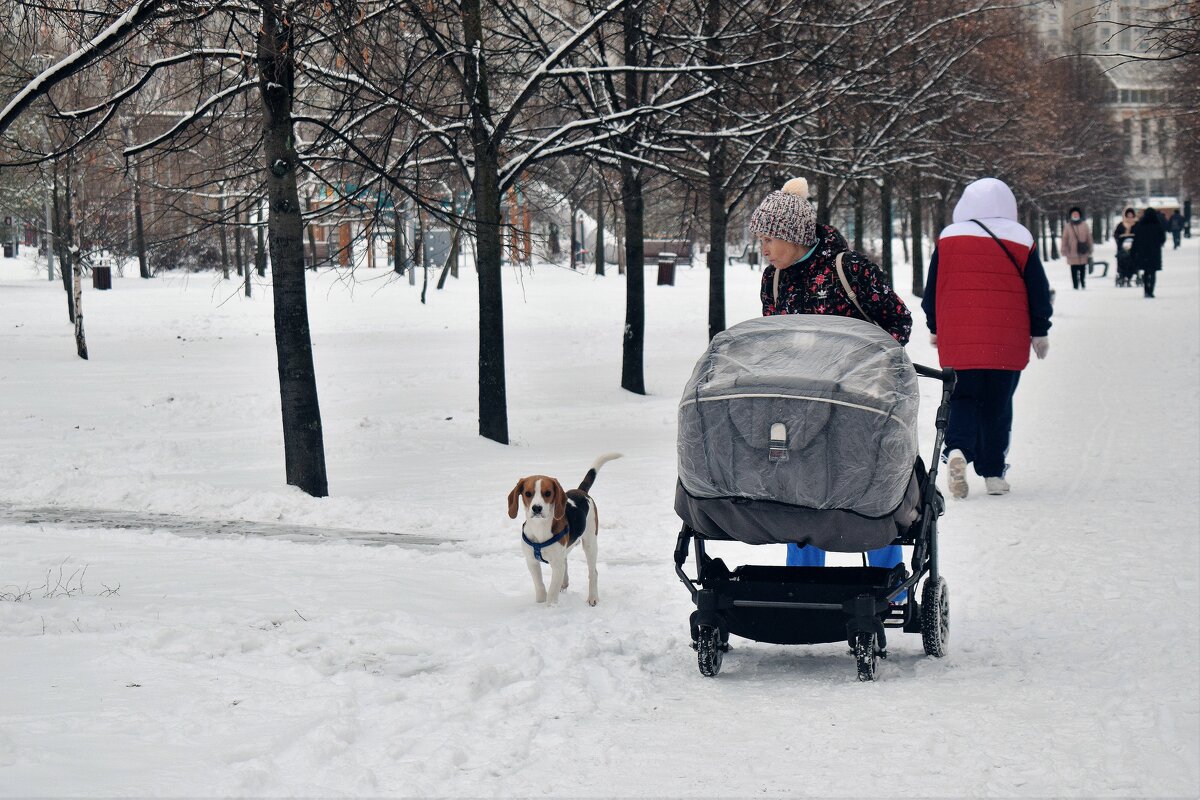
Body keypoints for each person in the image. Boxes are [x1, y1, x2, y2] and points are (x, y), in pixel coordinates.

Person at [747, 177, 912, 573]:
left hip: (857, 399)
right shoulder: (774, 278)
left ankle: (887, 577)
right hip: (797, 401)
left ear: (794, 235)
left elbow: (899, 323)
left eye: (770, 239)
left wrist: (863, 362)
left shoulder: (848, 268)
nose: (764, 250)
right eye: (761, 241)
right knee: (797, 487)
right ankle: (801, 578)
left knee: (866, 483)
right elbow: (775, 335)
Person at [921, 177, 1053, 499]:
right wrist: (1040, 330)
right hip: (1007, 339)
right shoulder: (1021, 238)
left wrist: (936, 325)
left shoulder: (948, 238)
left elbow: (933, 290)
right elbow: (1037, 289)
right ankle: (994, 473)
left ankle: (958, 451)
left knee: (962, 399)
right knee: (997, 404)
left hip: (960, 339)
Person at [1131, 207, 1166, 298]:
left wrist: (1134, 251)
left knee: (1146, 272)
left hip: (1143, 252)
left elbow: (1136, 240)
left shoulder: (1141, 225)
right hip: (1154, 252)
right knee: (1153, 272)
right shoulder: (1157, 225)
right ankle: (1151, 290)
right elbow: (1162, 238)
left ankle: (1146, 289)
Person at [1061, 206, 1092, 289]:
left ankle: (1083, 283)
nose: (1075, 215)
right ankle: (1075, 285)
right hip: (1072, 251)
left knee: (1083, 268)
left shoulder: (1084, 225)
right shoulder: (1067, 226)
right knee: (1073, 269)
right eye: (1073, 214)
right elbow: (1064, 238)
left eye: (1076, 214)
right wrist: (1064, 249)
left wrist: (1090, 248)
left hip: (1083, 250)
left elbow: (1089, 237)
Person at [1114, 207, 1138, 287]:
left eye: (1131, 215)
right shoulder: (1121, 224)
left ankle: (1130, 275)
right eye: (1128, 215)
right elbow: (1116, 234)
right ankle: (1122, 275)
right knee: (1122, 260)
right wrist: (1119, 237)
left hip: (1134, 247)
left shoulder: (1136, 224)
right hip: (1122, 247)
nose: (1130, 217)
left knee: (1133, 261)